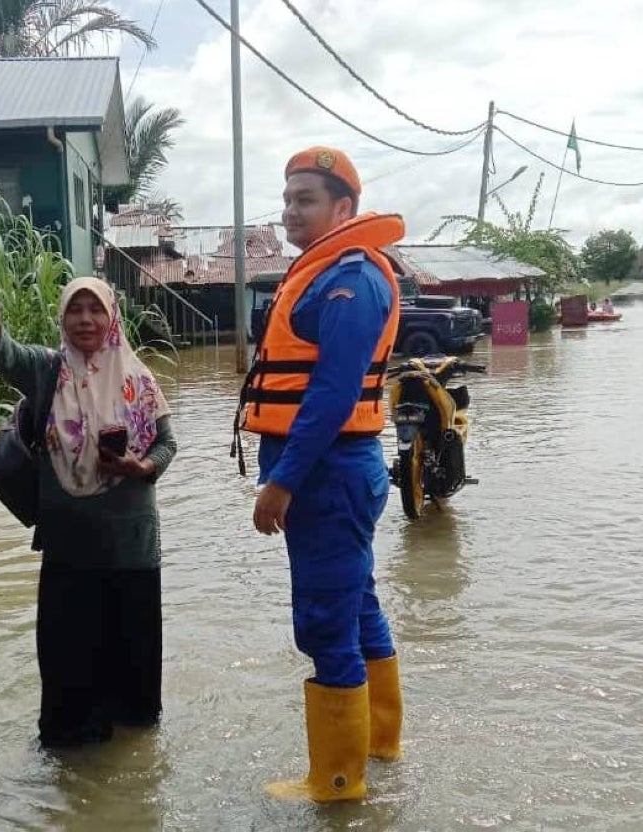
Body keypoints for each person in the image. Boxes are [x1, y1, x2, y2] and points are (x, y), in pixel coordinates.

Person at [236, 147, 404, 802]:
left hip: (327, 475)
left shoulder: (352, 279)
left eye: (305, 199)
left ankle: (336, 783)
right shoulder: (322, 273)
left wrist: (282, 483)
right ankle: (380, 746)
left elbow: (332, 397)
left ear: (344, 209)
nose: (289, 211)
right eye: (286, 198)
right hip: (330, 472)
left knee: (324, 622)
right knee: (357, 606)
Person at [0, 277, 177, 748]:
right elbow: (11, 358)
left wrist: (140, 466)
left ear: (111, 317)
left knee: (133, 670)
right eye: (75, 310)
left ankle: (133, 758)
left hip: (133, 546)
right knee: (68, 661)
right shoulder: (49, 370)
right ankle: (73, 770)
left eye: (95, 309)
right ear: (62, 318)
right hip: (69, 544)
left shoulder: (138, 378)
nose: (85, 319)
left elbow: (168, 443)